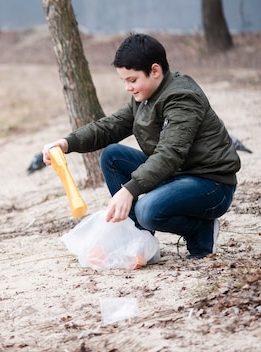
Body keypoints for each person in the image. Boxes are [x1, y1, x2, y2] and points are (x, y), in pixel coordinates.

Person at [42, 33, 240, 260]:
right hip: (177, 174)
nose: (128, 87)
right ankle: (140, 239)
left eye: (132, 80)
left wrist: (130, 190)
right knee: (112, 156)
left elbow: (170, 152)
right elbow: (111, 126)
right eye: (124, 81)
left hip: (211, 184)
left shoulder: (182, 97)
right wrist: (68, 143)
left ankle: (200, 231)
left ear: (155, 71)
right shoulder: (146, 95)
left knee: (147, 210)